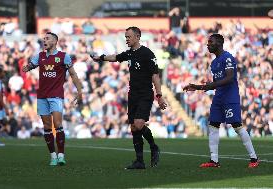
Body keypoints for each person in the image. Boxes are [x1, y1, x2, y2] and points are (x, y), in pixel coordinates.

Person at [91, 26, 167, 169]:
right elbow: (115, 57)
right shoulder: (130, 53)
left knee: (139, 124)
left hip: (145, 94)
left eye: (128, 37)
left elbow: (155, 75)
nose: (126, 39)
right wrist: (100, 58)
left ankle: (153, 146)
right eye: (125, 37)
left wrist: (159, 95)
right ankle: (139, 161)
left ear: (137, 36)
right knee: (133, 127)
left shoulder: (147, 54)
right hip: (133, 94)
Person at [183, 34, 259, 168]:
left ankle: (254, 158)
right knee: (213, 125)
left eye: (210, 42)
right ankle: (214, 161)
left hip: (230, 97)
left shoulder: (228, 57)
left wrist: (206, 86)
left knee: (237, 126)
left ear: (219, 43)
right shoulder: (213, 62)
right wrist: (199, 86)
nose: (208, 44)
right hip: (218, 97)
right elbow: (217, 82)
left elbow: (229, 78)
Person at [22, 32, 83, 166]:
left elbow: (73, 74)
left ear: (55, 41)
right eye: (43, 39)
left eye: (47, 38)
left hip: (56, 95)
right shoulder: (40, 56)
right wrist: (26, 67)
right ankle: (53, 156)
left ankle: (61, 155)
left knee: (58, 124)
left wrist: (79, 91)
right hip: (42, 96)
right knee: (47, 126)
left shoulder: (63, 57)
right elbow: (31, 65)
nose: (44, 40)